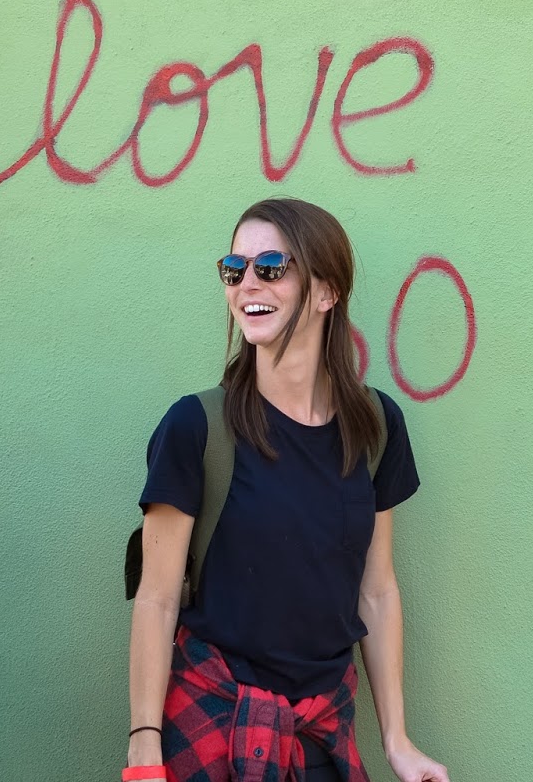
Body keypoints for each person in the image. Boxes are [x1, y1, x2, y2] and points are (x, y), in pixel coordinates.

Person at [126, 198, 449, 782]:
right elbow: (157, 598)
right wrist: (144, 748)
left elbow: (376, 590)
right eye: (234, 269)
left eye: (271, 267)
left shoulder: (376, 427)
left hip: (321, 732)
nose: (247, 284)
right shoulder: (196, 427)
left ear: (326, 291)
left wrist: (397, 740)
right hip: (212, 729)